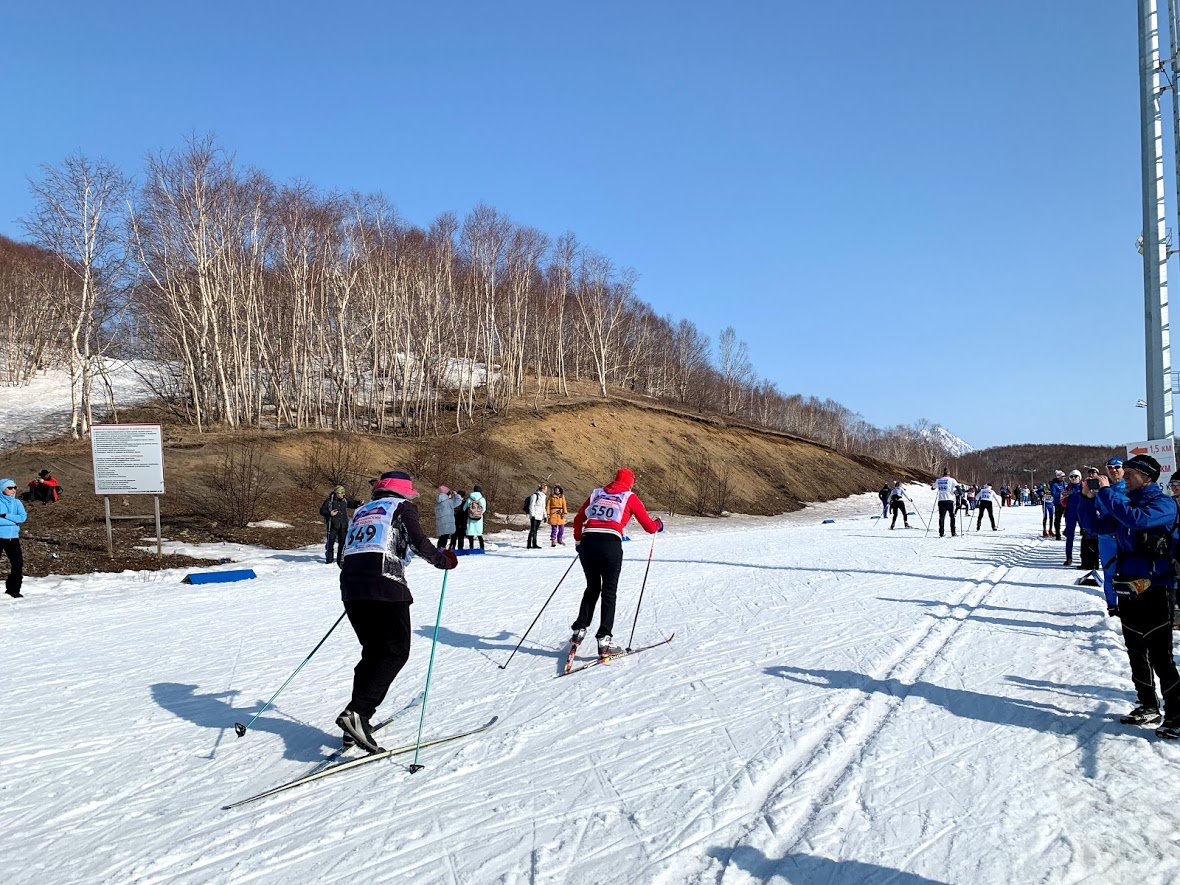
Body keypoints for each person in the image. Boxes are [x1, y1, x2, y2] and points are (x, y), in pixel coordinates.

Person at [335, 470, 458, 752]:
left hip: (352, 589)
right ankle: (358, 713)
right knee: (394, 651)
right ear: (404, 492)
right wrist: (443, 560)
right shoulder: (402, 507)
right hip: (386, 587)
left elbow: (343, 557)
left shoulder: (362, 511)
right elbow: (419, 542)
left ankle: (356, 723)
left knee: (373, 653)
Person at [1078, 454, 1180, 739]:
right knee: (1136, 651)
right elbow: (1096, 527)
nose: (1125, 476)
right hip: (1128, 588)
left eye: (1131, 472)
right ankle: (1148, 705)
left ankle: (1177, 712)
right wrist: (1087, 499)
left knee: (1161, 655)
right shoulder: (1128, 503)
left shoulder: (1162, 504)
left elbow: (1135, 520)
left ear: (1147, 477)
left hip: (1156, 588)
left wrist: (1108, 490)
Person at [569, 468, 664, 657]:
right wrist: (658, 525)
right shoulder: (629, 496)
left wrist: (579, 541)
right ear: (630, 482)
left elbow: (579, 518)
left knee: (592, 587)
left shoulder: (597, 493)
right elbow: (648, 526)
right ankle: (604, 639)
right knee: (609, 591)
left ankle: (579, 629)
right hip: (610, 544)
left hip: (588, 542)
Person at [1098, 458, 1128, 617]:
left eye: (1117, 467)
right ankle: (1112, 606)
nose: (1114, 470)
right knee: (1109, 573)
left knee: (1129, 571)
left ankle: (1129, 604)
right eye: (1110, 467)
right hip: (1106, 539)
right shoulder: (1102, 490)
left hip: (1127, 537)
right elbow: (1093, 511)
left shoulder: (1130, 488)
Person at [319, 485, 359, 565]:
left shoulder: (345, 500)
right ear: (337, 493)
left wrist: (359, 503)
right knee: (330, 543)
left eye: (344, 493)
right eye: (341, 493)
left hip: (343, 526)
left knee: (342, 544)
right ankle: (329, 560)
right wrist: (330, 513)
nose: (343, 494)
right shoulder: (330, 501)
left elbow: (353, 504)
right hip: (332, 526)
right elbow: (322, 511)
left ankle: (339, 560)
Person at [0, 479, 27, 598]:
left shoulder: (17, 503)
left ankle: (14, 589)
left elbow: (22, 518)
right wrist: (13, 521)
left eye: (14, 487)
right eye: (9, 488)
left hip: (13, 538)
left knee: (18, 563)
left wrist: (6, 516)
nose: (13, 490)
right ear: (2, 489)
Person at [1062, 469, 1084, 566]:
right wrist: (1062, 497)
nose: (1074, 478)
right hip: (1070, 514)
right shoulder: (1068, 488)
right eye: (1072, 477)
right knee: (1070, 536)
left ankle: (1085, 556)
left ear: (1080, 477)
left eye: (1076, 476)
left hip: (1082, 514)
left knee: (1086, 536)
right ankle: (1069, 557)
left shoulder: (1084, 487)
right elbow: (1063, 502)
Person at [933, 470, 958, 537]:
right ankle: (953, 532)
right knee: (952, 517)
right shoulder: (952, 480)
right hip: (949, 501)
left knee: (941, 517)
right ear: (949, 474)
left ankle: (941, 533)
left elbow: (933, 488)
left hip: (941, 500)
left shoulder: (938, 480)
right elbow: (958, 488)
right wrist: (960, 493)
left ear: (943, 474)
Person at [526, 483, 548, 549]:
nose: (546, 490)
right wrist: (532, 515)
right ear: (542, 489)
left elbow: (543, 507)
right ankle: (529, 544)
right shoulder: (535, 495)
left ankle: (535, 543)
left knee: (536, 530)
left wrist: (545, 515)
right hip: (535, 515)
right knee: (532, 529)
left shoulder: (543, 496)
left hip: (539, 515)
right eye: (545, 489)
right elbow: (531, 505)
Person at [464, 485, 486, 550]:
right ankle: (482, 548)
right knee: (479, 534)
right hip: (479, 519)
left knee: (471, 535)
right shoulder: (482, 499)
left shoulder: (469, 499)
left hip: (470, 519)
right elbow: (484, 509)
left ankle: (471, 549)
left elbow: (464, 508)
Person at [1049, 470, 1066, 540]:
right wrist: (1062, 494)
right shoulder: (1054, 484)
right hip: (1058, 503)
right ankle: (1058, 534)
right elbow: (1053, 494)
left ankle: (1066, 531)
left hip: (1066, 503)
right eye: (1062, 477)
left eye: (1064, 477)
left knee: (1069, 518)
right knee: (1058, 519)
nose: (1064, 478)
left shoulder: (1065, 483)